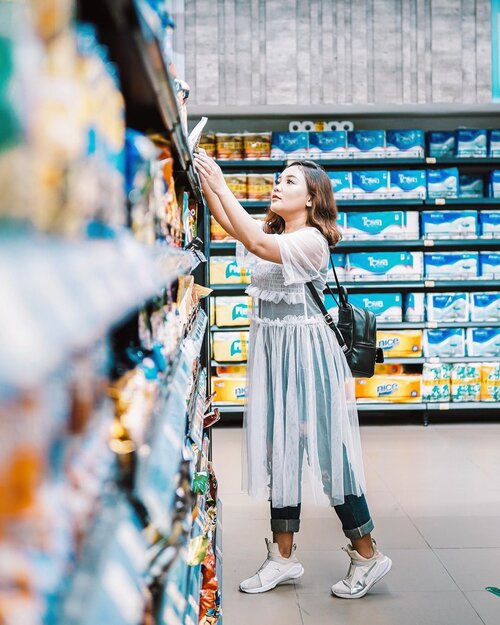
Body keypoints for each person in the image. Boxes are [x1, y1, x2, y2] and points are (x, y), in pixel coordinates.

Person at [194, 151, 392, 599]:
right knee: (279, 449)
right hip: (275, 354)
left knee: (328, 453)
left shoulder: (312, 242)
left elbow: (258, 245)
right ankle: (282, 558)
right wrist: (205, 177)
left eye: (288, 182)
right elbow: (234, 225)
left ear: (311, 198)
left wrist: (223, 183)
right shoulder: (273, 230)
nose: (277, 186)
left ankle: (367, 553)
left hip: (308, 357)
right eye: (278, 180)